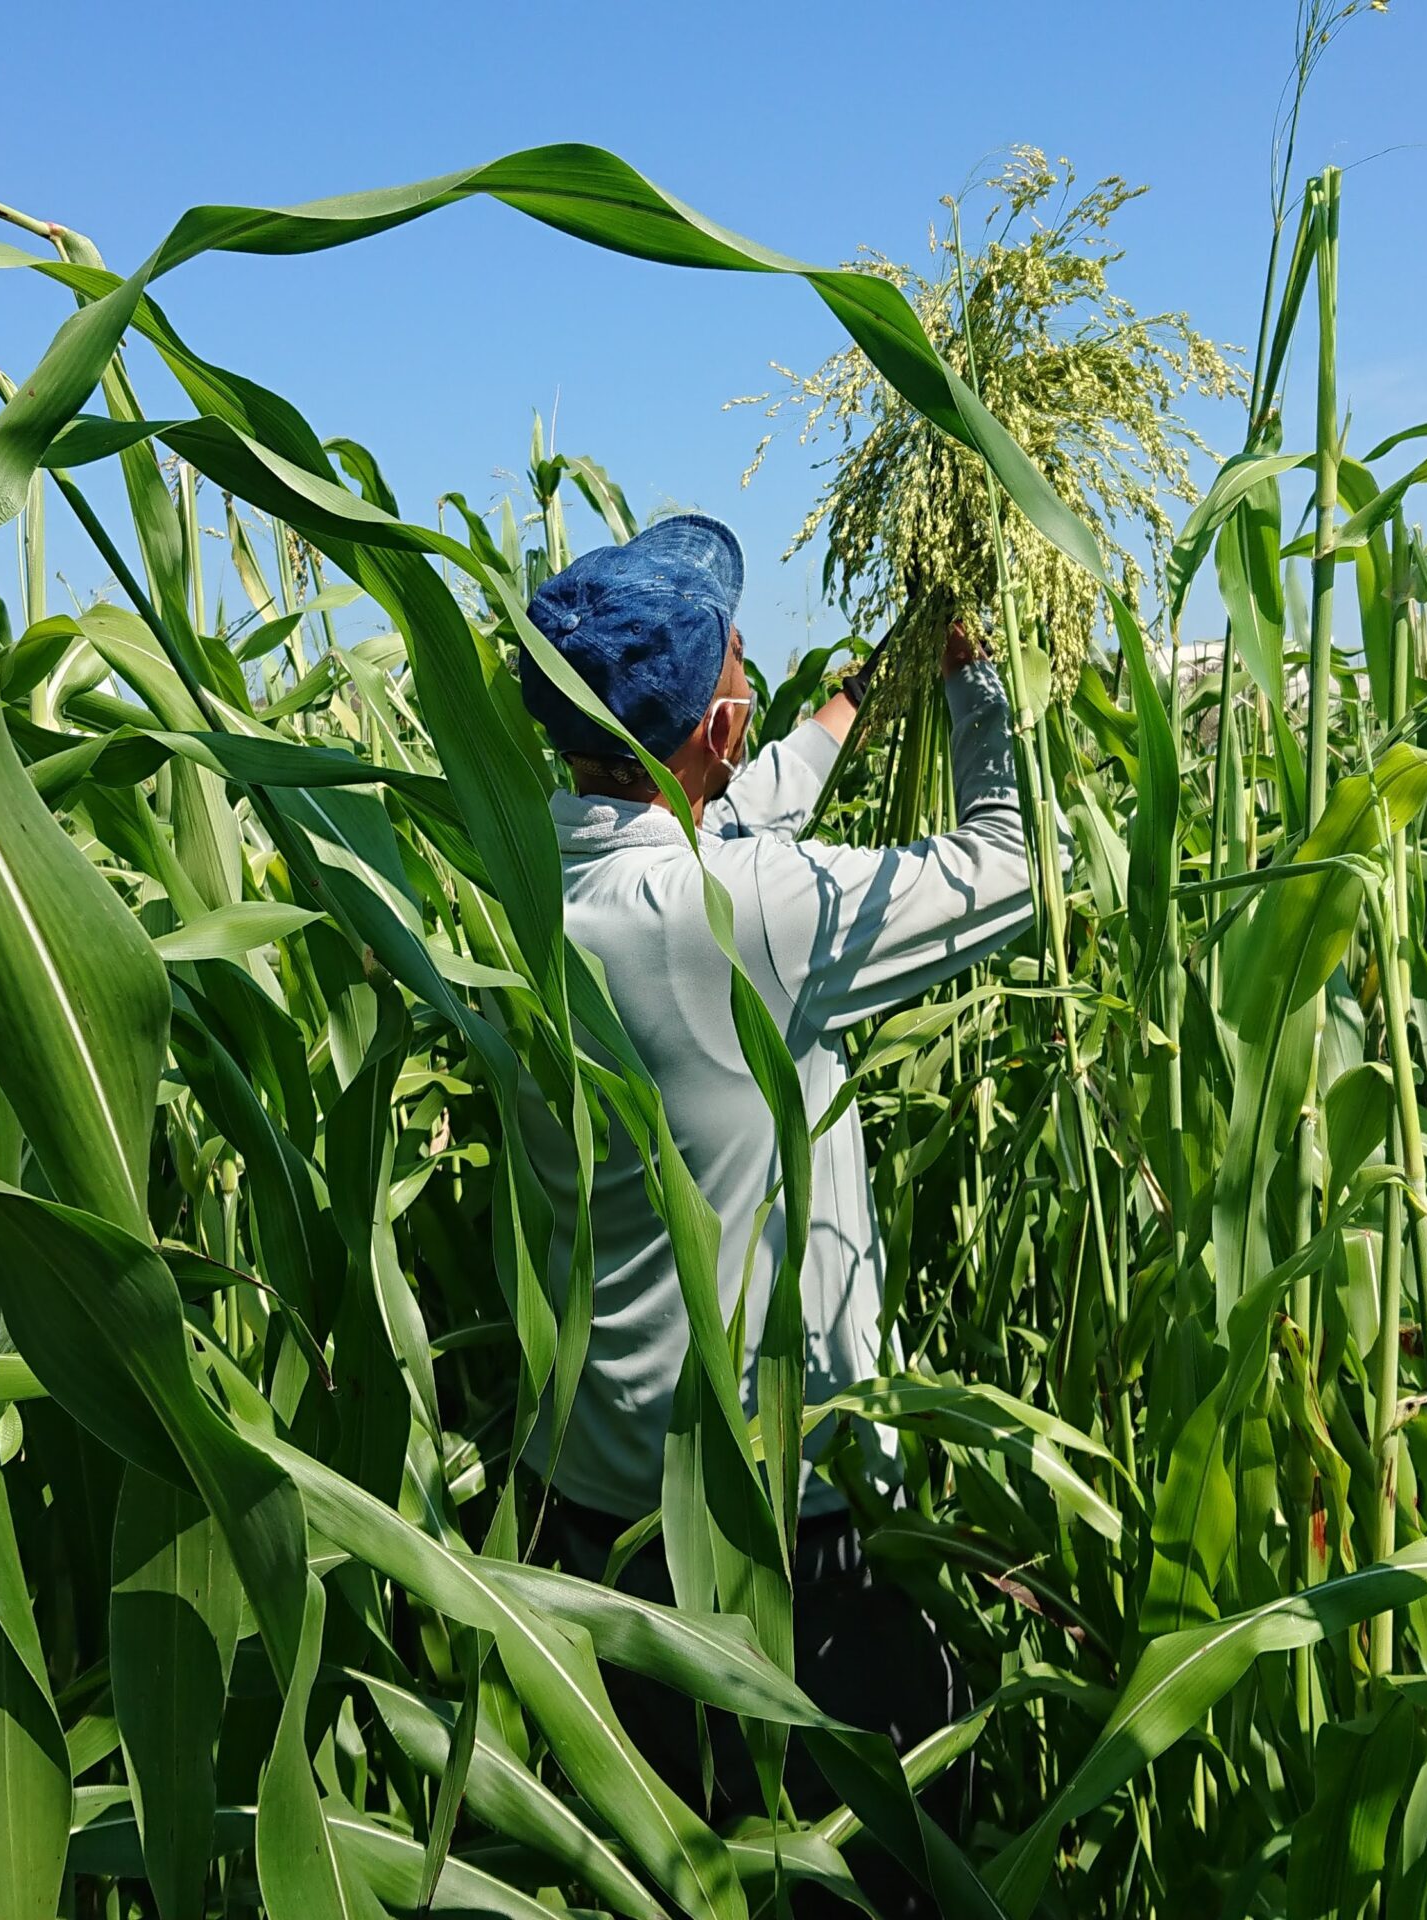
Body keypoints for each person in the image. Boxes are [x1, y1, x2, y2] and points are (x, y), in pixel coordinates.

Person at [514, 511, 1049, 1914]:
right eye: (738, 666)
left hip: (595, 1504)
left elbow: (737, 820)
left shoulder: (534, 871)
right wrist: (973, 678)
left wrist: (858, 698)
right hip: (771, 1523)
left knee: (672, 1867)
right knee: (878, 1867)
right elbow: (1009, 868)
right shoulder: (736, 914)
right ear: (713, 726)